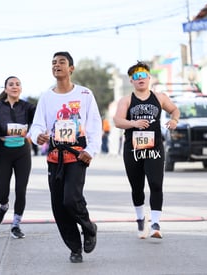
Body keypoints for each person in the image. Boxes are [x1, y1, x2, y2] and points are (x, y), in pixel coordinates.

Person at [30, 51, 102, 263]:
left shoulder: (85, 94)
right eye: (53, 62)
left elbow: (95, 125)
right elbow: (37, 125)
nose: (56, 65)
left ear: (71, 68)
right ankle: (75, 248)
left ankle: (89, 227)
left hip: (77, 155)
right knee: (59, 207)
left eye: (61, 62)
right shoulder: (46, 96)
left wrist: (91, 150)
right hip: (55, 156)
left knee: (71, 199)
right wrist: (38, 136)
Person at [113, 61, 180, 240]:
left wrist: (174, 120)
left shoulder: (160, 98)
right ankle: (140, 218)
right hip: (133, 149)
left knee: (156, 183)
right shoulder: (126, 100)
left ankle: (155, 223)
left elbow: (175, 110)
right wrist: (133, 123)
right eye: (136, 76)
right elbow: (117, 121)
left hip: (154, 148)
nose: (140, 79)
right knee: (137, 187)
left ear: (149, 78)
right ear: (131, 81)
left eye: (143, 75)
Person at [0, 76, 36, 239]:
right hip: (3, 151)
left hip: (22, 152)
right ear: (5, 89)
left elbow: (40, 120)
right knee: (2, 190)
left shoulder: (28, 107)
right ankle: (3, 206)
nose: (14, 86)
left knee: (21, 189)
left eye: (18, 84)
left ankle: (16, 224)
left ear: (21, 88)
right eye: (11, 84)